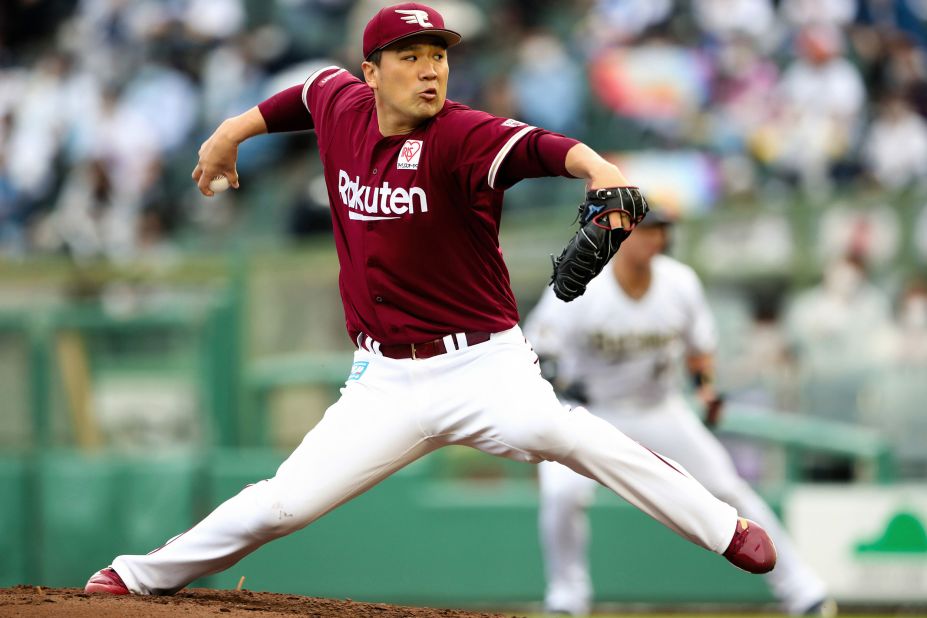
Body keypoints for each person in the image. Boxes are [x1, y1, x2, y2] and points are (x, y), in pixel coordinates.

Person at [83, 2, 775, 599]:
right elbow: (304, 94)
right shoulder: (340, 104)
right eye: (409, 56)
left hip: (483, 366)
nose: (429, 70)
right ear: (371, 73)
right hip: (383, 377)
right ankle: (137, 576)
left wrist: (598, 171)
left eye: (438, 55)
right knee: (284, 503)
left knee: (561, 433)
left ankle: (723, 527)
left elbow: (541, 147)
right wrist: (230, 132)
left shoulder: (460, 135)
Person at [523, 211, 834, 616]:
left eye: (661, 230)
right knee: (561, 493)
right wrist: (556, 381)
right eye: (646, 229)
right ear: (623, 235)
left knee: (728, 488)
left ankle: (804, 592)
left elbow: (699, 348)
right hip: (591, 410)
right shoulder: (585, 280)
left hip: (659, 408)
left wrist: (705, 389)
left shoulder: (679, 282)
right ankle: (566, 600)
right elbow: (537, 348)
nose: (655, 238)